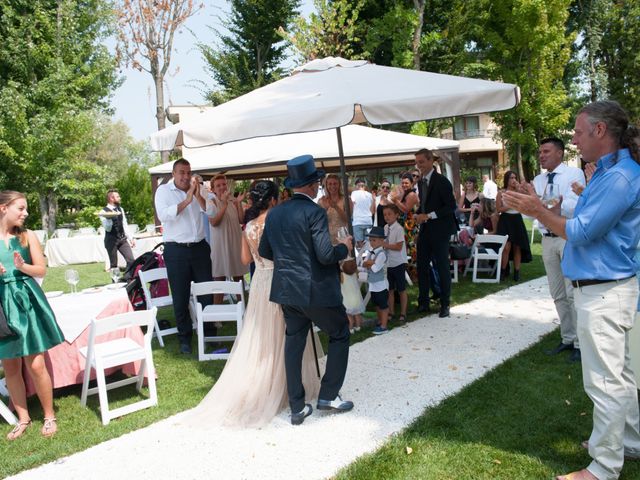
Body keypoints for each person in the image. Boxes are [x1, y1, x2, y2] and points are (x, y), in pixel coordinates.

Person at [503, 100, 640, 480]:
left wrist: (536, 210)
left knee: (605, 381)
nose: (575, 140)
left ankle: (604, 467)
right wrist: (544, 205)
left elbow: (580, 231)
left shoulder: (621, 177)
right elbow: (579, 219)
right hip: (606, 289)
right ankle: (628, 442)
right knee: (620, 375)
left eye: (579, 132)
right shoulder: (608, 174)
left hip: (605, 292)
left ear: (600, 131)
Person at [184, 181, 322, 427]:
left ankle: (268, 382)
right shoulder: (278, 222)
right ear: (272, 200)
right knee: (288, 334)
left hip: (259, 282)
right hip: (280, 280)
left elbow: (245, 259)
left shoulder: (247, 226)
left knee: (261, 336)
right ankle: (285, 388)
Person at [259, 154, 354, 426]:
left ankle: (297, 407)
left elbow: (265, 250)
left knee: (294, 342)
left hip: (287, 289)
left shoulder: (275, 212)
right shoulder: (315, 212)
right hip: (316, 289)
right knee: (339, 332)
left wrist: (291, 258)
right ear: (312, 186)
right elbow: (326, 255)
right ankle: (329, 395)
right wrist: (345, 247)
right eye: (318, 184)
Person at [0, 191, 64, 440]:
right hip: (1, 307)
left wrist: (21, 266)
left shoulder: (28, 237)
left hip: (25, 301)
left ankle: (49, 415)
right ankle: (23, 418)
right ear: (3, 208)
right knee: (10, 365)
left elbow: (41, 269)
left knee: (35, 363)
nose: (25, 213)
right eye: (21, 208)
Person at [533, 137, 586, 363]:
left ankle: (580, 344)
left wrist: (553, 205)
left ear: (559, 153)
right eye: (540, 152)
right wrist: (533, 201)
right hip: (547, 239)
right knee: (557, 293)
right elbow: (531, 213)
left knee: (572, 292)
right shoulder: (538, 179)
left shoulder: (574, 175)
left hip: (566, 237)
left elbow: (577, 206)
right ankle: (567, 337)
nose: (541, 155)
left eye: (546, 151)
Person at [154, 159, 213, 355]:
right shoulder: (163, 191)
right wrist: (187, 200)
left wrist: (198, 195)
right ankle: (184, 338)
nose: (186, 176)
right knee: (180, 296)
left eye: (188, 172)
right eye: (182, 172)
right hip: (176, 250)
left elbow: (211, 211)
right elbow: (164, 215)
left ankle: (209, 334)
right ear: (173, 173)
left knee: (206, 292)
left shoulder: (198, 188)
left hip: (200, 248)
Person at [413, 148, 458, 318]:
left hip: (440, 230)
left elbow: (451, 206)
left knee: (442, 266)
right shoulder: (420, 182)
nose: (419, 166)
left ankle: (445, 304)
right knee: (422, 266)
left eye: (422, 162)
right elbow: (425, 204)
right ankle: (423, 302)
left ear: (431, 160)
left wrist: (429, 215)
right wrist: (419, 213)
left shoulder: (442, 181)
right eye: (417, 163)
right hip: (426, 229)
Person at [318, 174, 363, 333]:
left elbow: (348, 219)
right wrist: (324, 209)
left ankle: (352, 310)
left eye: (335, 183)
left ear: (339, 185)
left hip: (343, 238)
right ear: (325, 185)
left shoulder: (346, 199)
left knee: (347, 275)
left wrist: (335, 207)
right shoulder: (321, 201)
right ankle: (336, 310)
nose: (332, 186)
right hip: (328, 240)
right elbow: (318, 220)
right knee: (332, 276)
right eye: (329, 184)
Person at [207, 174, 249, 291]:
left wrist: (239, 203)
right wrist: (224, 204)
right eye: (218, 185)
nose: (222, 187)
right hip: (220, 244)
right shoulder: (212, 202)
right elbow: (214, 222)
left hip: (235, 242)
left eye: (224, 184)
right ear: (213, 189)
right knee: (219, 280)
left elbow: (241, 220)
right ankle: (217, 308)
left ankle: (241, 307)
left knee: (238, 278)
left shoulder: (233, 201)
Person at [495, 170, 532, 281]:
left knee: (517, 247)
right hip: (505, 219)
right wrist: (511, 205)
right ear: (506, 179)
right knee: (506, 247)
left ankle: (517, 272)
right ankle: (503, 270)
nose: (513, 180)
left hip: (517, 219)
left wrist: (520, 188)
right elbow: (498, 209)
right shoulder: (501, 192)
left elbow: (530, 198)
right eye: (511, 178)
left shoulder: (518, 192)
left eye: (514, 177)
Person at [389, 172, 419, 275]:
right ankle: (405, 273)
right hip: (403, 226)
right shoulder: (404, 194)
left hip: (410, 227)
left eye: (406, 183)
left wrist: (396, 201)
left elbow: (406, 209)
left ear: (411, 183)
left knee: (411, 249)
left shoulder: (412, 194)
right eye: (402, 183)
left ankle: (414, 273)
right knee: (404, 249)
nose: (404, 185)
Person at [362, 227, 390, 335]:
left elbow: (375, 268)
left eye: (374, 240)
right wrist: (370, 262)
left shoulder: (382, 254)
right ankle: (380, 321)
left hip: (381, 285)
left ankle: (384, 326)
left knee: (383, 305)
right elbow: (364, 265)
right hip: (373, 285)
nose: (372, 242)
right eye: (370, 240)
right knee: (377, 304)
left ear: (382, 241)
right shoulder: (371, 253)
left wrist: (369, 263)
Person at [99, 189, 135, 271]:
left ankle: (127, 280)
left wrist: (131, 238)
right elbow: (108, 229)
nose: (120, 198)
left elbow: (124, 224)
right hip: (111, 241)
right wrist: (109, 218)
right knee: (114, 265)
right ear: (112, 198)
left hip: (122, 239)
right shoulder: (103, 212)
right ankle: (115, 283)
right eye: (118, 197)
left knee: (131, 260)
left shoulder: (120, 209)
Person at [383, 204, 408, 324]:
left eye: (389, 214)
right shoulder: (385, 228)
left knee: (401, 289)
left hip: (398, 262)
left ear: (396, 215)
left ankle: (403, 313)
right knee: (390, 289)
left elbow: (398, 246)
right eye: (385, 214)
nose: (387, 217)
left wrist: (385, 245)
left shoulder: (399, 229)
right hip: (389, 263)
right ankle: (391, 312)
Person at [350, 178, 374, 248]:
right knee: (369, 243)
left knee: (360, 244)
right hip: (368, 221)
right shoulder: (369, 194)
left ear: (356, 186)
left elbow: (352, 203)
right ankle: (368, 256)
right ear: (364, 186)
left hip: (357, 221)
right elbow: (372, 208)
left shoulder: (354, 193)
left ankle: (363, 257)